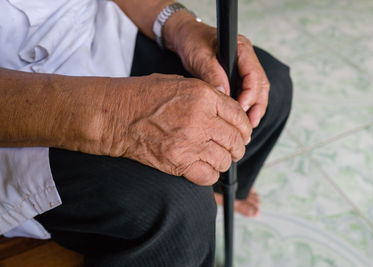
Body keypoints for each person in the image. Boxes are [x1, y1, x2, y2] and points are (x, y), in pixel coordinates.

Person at [0, 0, 292, 265]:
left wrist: (180, 25)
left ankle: (219, 185)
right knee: (179, 207)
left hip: (94, 33)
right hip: (19, 108)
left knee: (265, 85)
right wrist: (117, 116)